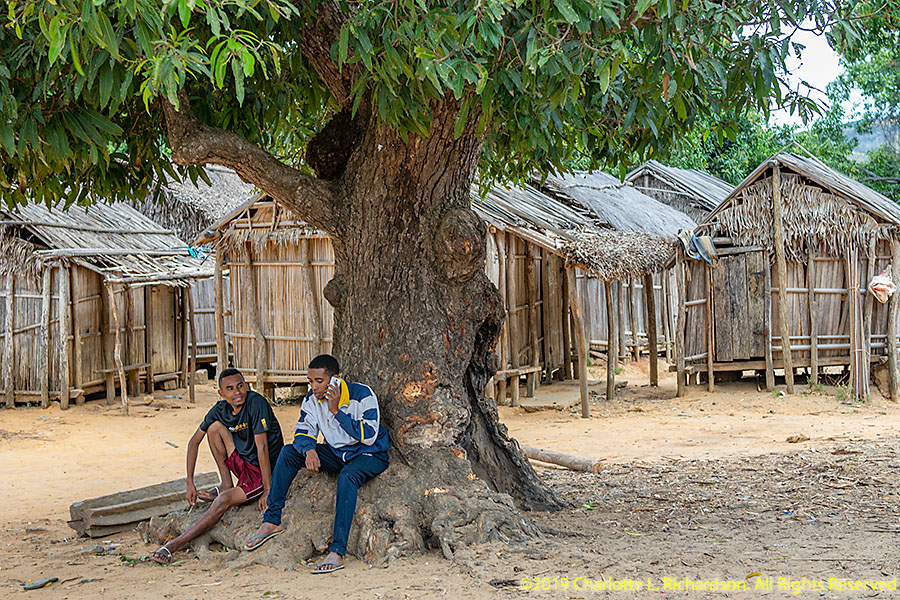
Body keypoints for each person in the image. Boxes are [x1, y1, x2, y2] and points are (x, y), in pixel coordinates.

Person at [243, 354, 389, 574]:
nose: (314, 387)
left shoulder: (362, 395)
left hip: (369, 454)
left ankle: (337, 551)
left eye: (319, 381)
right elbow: (303, 430)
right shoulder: (312, 399)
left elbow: (368, 435)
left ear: (335, 379)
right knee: (289, 452)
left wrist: (335, 411)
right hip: (337, 453)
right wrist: (309, 450)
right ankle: (272, 520)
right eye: (310, 381)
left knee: (347, 477)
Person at [150, 368, 284, 565]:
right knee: (214, 428)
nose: (237, 392)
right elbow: (194, 442)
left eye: (240, 386)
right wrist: (190, 482)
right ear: (221, 393)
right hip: (244, 464)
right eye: (230, 389)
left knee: (222, 502)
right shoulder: (220, 409)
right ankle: (226, 484)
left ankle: (173, 545)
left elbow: (262, 447)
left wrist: (268, 489)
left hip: (262, 472)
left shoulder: (256, 403)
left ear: (246, 386)